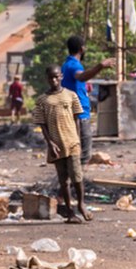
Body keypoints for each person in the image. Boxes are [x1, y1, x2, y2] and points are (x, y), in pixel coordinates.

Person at [33, 65, 88, 224]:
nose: (54, 80)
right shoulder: (43, 100)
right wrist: (50, 143)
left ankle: (81, 204)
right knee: (63, 180)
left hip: (72, 143)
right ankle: (70, 211)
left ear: (61, 76)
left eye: (56, 77)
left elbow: (77, 117)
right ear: (47, 79)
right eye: (51, 77)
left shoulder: (71, 96)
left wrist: (77, 138)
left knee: (77, 176)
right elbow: (41, 124)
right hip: (56, 145)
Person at [61, 36, 115, 164]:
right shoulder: (73, 65)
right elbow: (81, 76)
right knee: (83, 154)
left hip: (73, 111)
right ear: (82, 49)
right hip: (79, 114)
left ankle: (74, 179)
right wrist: (100, 66)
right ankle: (79, 180)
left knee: (74, 151)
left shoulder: (66, 64)